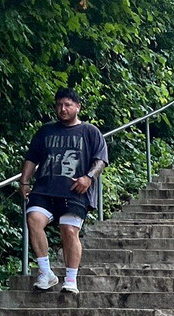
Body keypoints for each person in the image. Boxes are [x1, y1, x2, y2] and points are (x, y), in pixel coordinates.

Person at [19, 88, 108, 294]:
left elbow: (101, 160)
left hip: (74, 191)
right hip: (45, 188)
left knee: (69, 230)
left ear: (78, 107)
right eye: (59, 105)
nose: (63, 109)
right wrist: (24, 181)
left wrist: (88, 177)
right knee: (33, 219)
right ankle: (46, 273)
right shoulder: (45, 131)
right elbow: (32, 158)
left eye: (68, 105)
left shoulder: (90, 131)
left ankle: (70, 279)